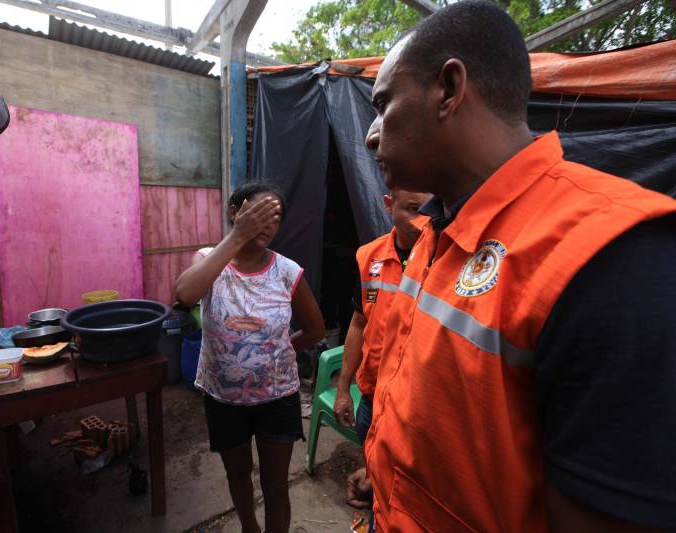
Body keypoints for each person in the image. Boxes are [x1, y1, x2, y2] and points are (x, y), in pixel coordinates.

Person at [348, 1, 676, 531]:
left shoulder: (611, 258)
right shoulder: (435, 234)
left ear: (449, 91)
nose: (370, 133)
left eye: (384, 104)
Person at [174, 180, 324, 533]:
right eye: (259, 213)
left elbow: (315, 330)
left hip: (277, 398)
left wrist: (279, 352)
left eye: (275, 217)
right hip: (222, 398)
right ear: (235, 211)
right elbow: (183, 294)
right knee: (237, 475)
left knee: (275, 488)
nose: (267, 224)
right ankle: (248, 528)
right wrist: (236, 238)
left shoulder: (288, 271)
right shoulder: (210, 261)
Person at [333, 190, 429, 444]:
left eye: (430, 211)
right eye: (412, 209)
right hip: (371, 396)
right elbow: (358, 323)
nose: (422, 221)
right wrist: (343, 390)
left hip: (415, 404)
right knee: (371, 470)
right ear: (389, 205)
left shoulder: (444, 259)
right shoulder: (369, 256)